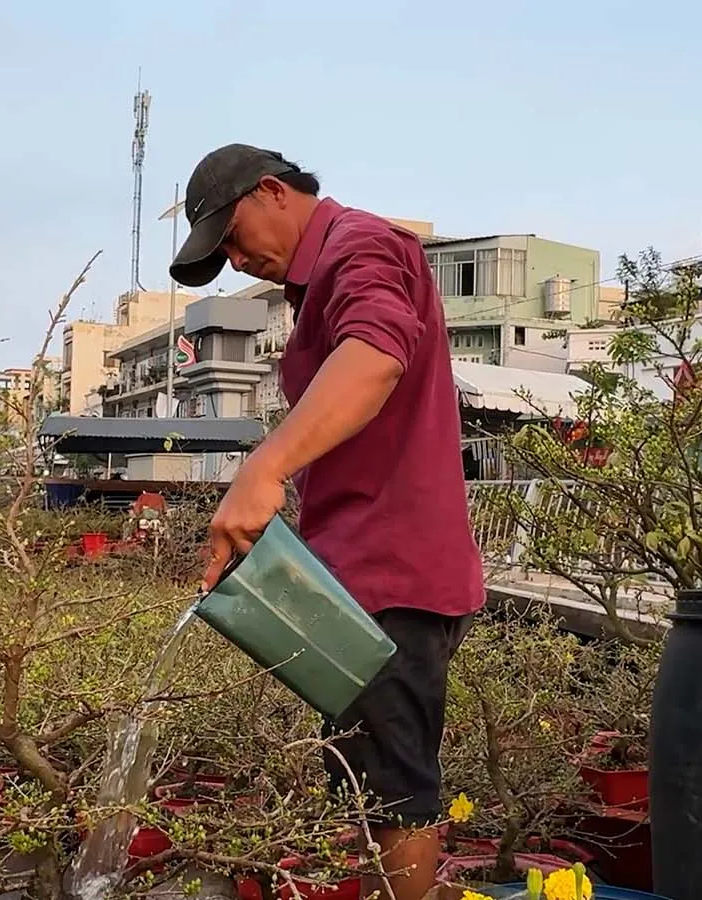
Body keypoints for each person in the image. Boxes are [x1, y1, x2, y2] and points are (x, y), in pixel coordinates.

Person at [171, 144, 485, 900]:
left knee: (394, 791)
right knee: (366, 781)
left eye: (233, 238)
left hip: (391, 575)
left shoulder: (362, 247)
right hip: (361, 573)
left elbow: (375, 355)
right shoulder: (317, 283)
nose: (238, 260)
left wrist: (264, 468)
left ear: (273, 192)